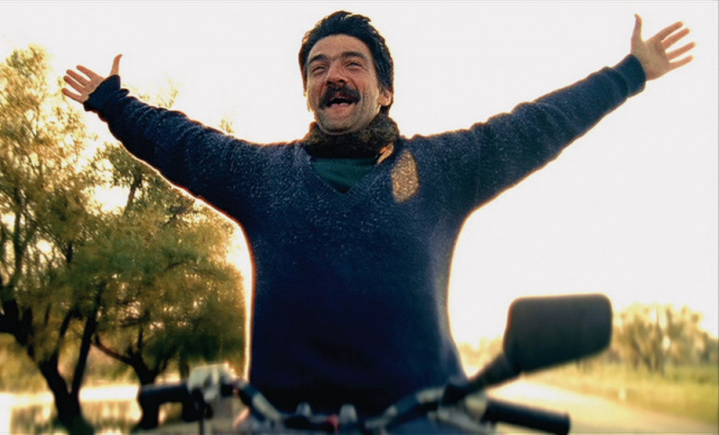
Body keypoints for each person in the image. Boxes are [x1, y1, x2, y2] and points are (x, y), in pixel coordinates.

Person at [63, 10, 694, 431]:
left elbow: (536, 126)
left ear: (384, 91)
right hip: (280, 424)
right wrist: (112, 101)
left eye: (352, 63)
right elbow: (182, 143)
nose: (333, 75)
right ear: (307, 93)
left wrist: (630, 72)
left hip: (426, 422)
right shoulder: (260, 175)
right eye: (318, 68)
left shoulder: (439, 169)